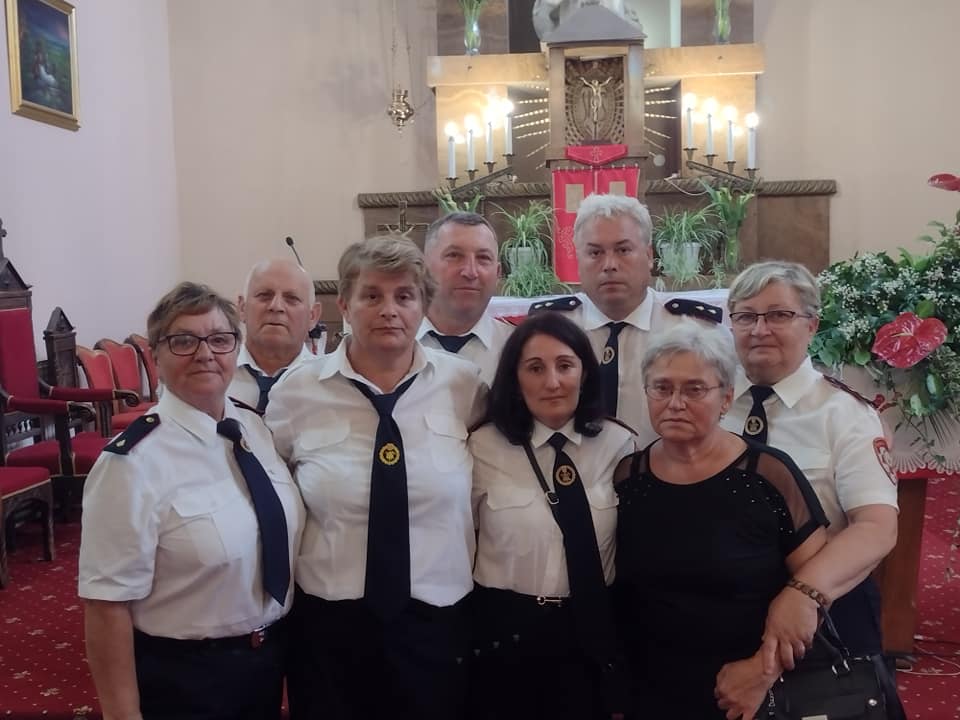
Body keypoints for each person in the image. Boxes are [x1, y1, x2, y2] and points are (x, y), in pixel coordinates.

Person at [266, 235, 486, 720]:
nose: (390, 310)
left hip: (438, 622)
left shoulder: (465, 387)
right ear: (344, 304)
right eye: (371, 295)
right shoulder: (295, 394)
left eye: (405, 296)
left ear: (424, 306)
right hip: (330, 628)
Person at [78, 282, 305, 720]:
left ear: (235, 348)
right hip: (185, 678)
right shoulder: (132, 463)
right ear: (156, 357)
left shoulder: (254, 430)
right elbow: (106, 606)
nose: (205, 354)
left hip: (267, 662)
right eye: (183, 341)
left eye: (220, 339)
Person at [614, 321, 829, 719]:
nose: (675, 403)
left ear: (726, 398)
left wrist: (763, 672)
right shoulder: (629, 478)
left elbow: (814, 588)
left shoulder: (768, 474)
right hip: (653, 687)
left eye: (694, 389)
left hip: (751, 688)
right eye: (662, 388)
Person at [720, 261, 900, 657]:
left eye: (779, 315)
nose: (760, 329)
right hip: (720, 605)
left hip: (822, 604)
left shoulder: (845, 414)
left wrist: (804, 592)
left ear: (812, 325)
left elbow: (876, 527)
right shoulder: (710, 402)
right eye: (746, 316)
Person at [470, 312, 635, 720]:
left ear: (585, 372)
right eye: (535, 368)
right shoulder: (481, 446)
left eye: (565, 365)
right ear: (515, 378)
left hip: (590, 632)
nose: (553, 382)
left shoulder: (619, 444)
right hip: (503, 631)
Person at [530, 193, 723, 446]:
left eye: (623, 250)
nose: (610, 265)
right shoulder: (548, 329)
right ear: (578, 260)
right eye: (595, 252)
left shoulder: (694, 329)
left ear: (649, 255)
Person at [419, 211, 514, 385]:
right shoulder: (390, 344)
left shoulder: (517, 347)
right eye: (454, 256)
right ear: (424, 268)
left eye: (483, 258)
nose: (470, 272)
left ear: (498, 273)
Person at [229, 257, 321, 412]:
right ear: (242, 308)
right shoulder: (213, 377)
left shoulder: (332, 387)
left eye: (291, 299)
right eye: (264, 295)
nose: (276, 306)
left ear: (312, 316)